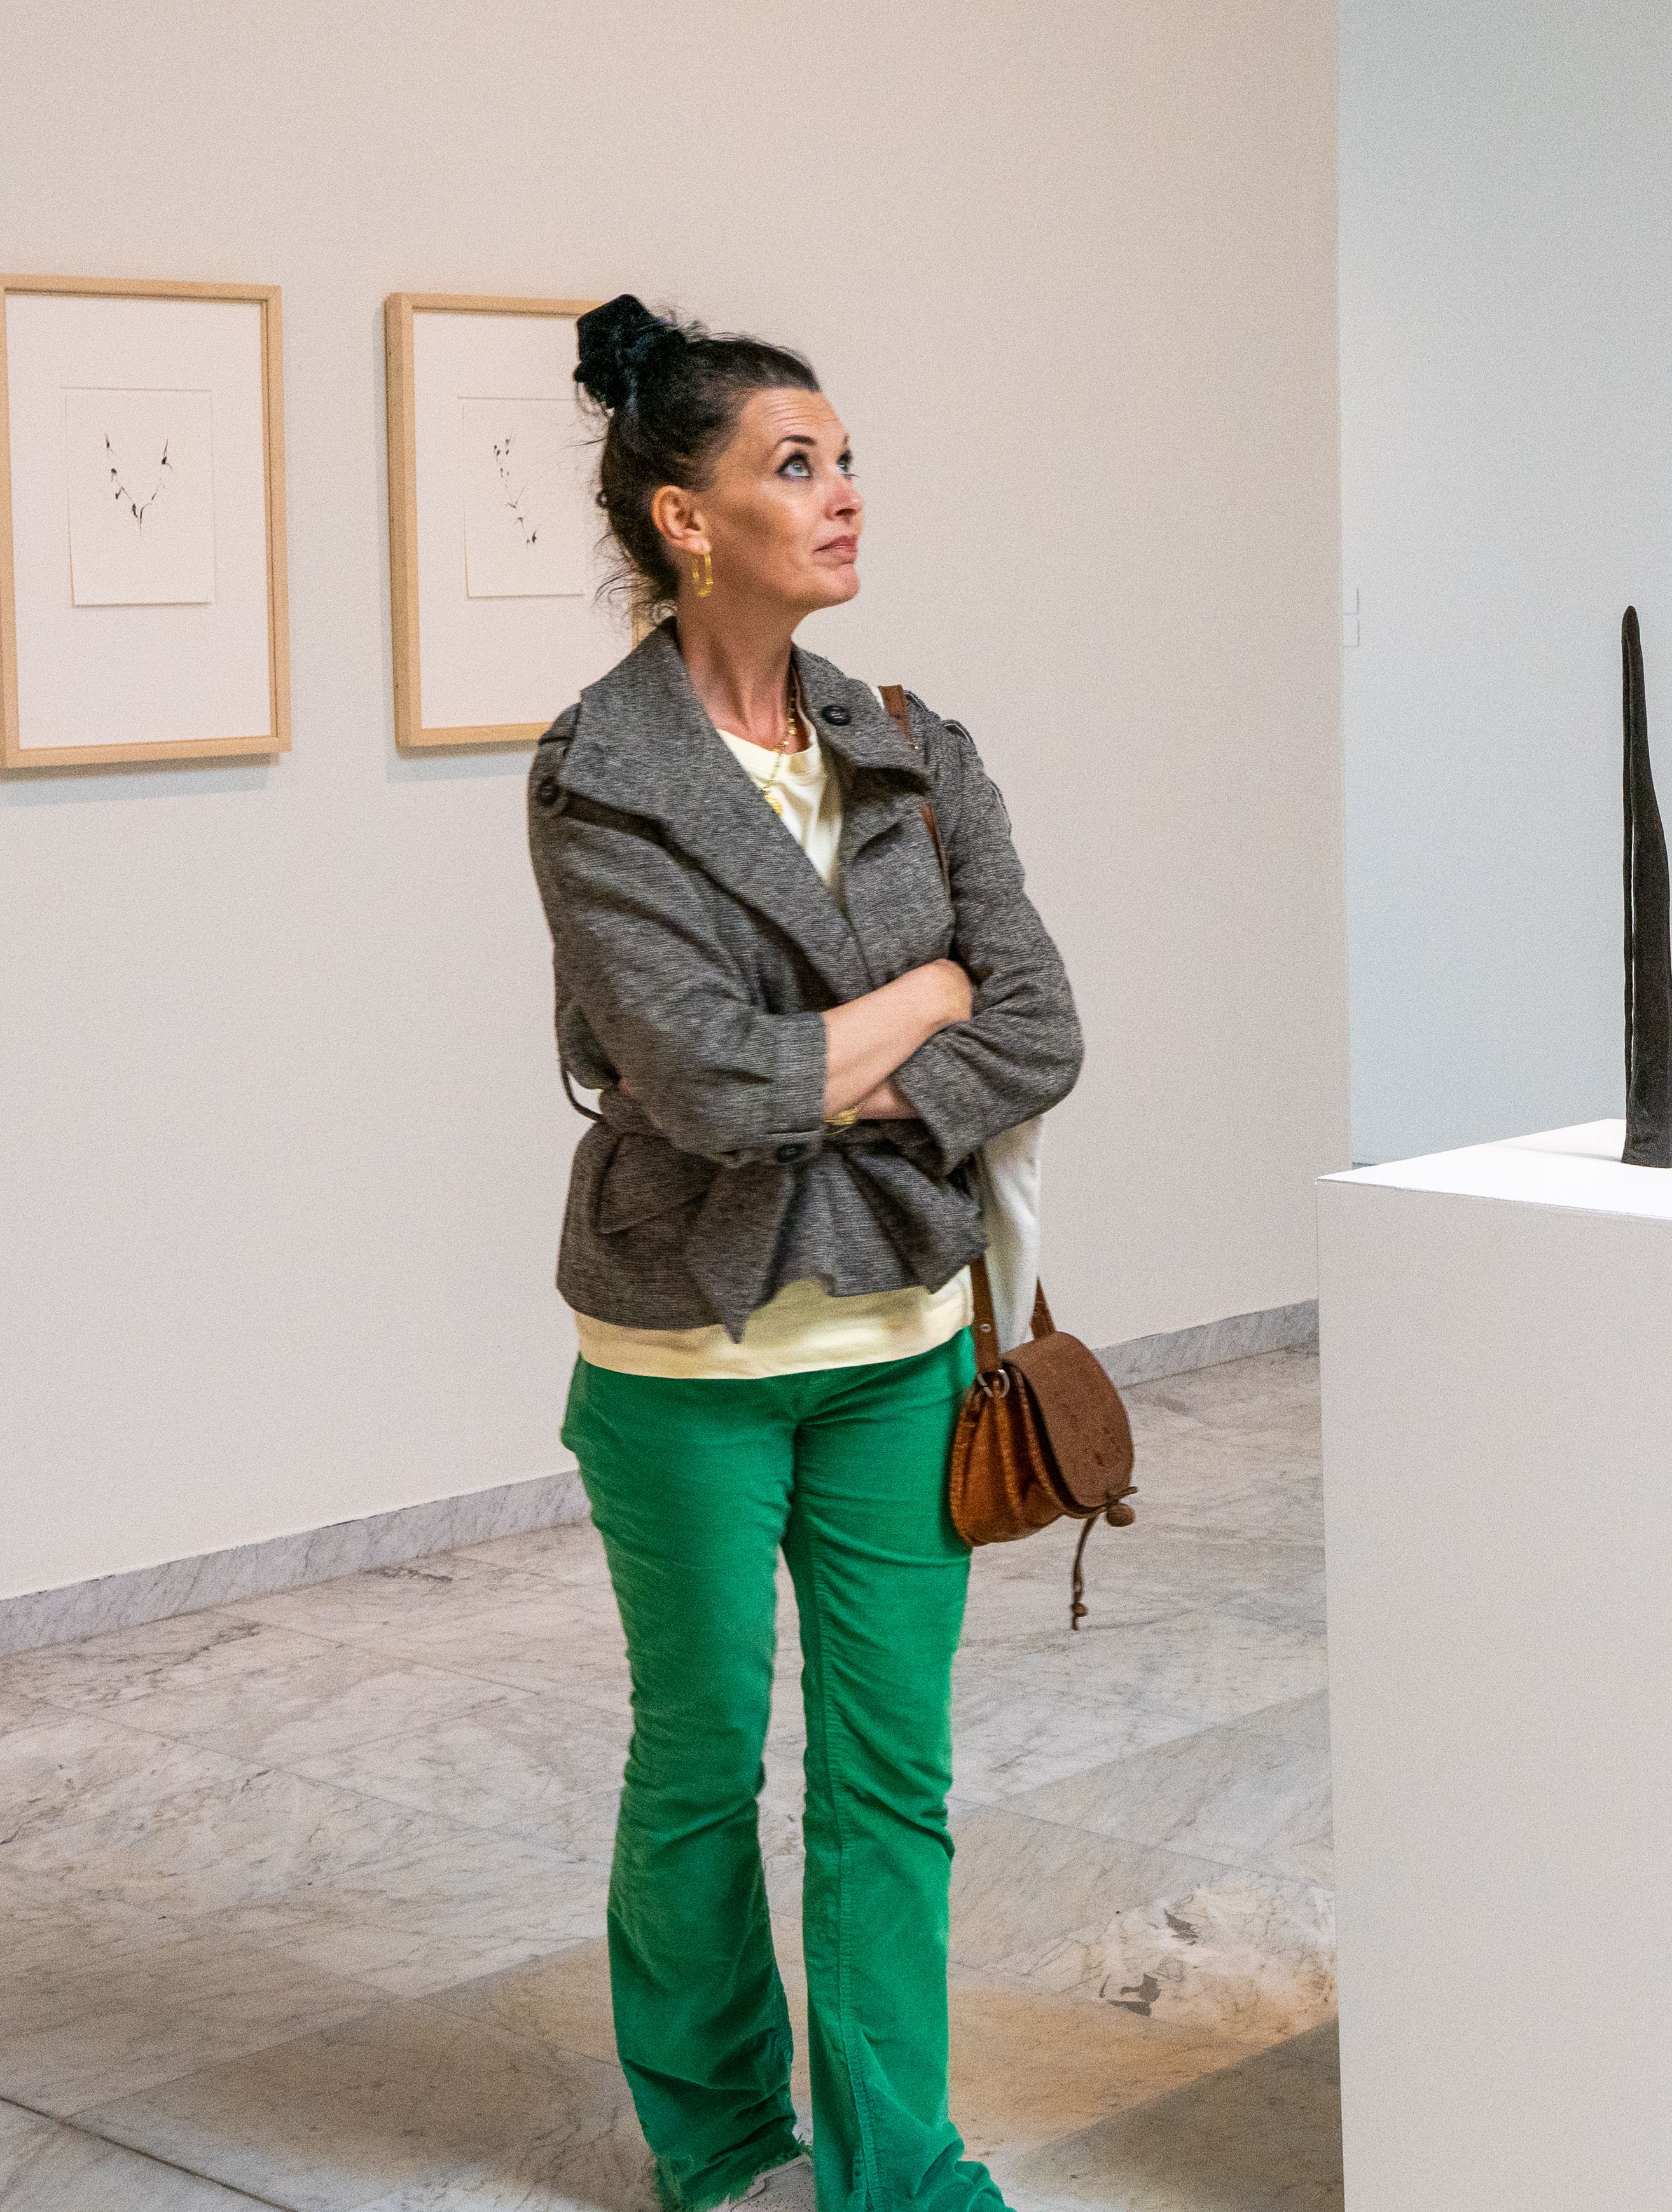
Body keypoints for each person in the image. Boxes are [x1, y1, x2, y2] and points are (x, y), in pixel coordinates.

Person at [525, 294, 1078, 2212]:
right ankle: (719, 2143)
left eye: (845, 459)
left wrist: (840, 1052)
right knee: (698, 1771)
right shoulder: (599, 773)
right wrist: (920, 991)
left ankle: (901, 2177)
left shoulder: (914, 743)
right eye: (794, 464)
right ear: (685, 518)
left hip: (906, 1336)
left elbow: (1044, 1032)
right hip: (689, 1358)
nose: (842, 496)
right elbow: (702, 1083)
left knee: (887, 1787)